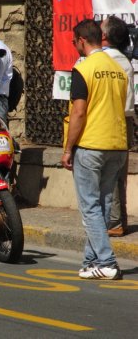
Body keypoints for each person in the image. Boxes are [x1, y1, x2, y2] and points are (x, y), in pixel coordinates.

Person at [61, 19, 127, 280]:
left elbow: (79, 113)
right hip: (117, 144)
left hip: (91, 144)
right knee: (102, 204)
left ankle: (108, 261)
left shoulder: (83, 69)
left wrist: (68, 149)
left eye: (73, 42)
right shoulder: (118, 68)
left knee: (90, 208)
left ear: (80, 40)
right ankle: (90, 261)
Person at [100, 16, 135, 237]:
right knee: (118, 175)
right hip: (126, 119)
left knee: (109, 174)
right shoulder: (124, 60)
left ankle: (113, 222)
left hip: (112, 119)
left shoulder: (105, 60)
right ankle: (118, 219)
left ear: (105, 36)